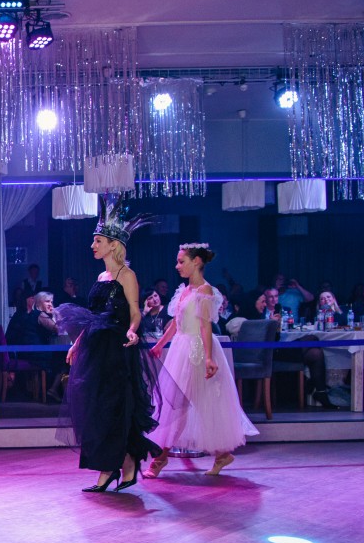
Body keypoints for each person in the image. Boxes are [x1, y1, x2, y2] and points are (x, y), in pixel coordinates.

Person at [56, 204, 162, 492]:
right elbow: (92, 316)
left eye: (98, 241)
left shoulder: (127, 275)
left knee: (115, 407)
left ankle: (119, 466)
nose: (93, 245)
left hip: (117, 349)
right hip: (95, 349)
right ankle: (114, 466)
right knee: (96, 408)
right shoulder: (100, 278)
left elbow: (135, 312)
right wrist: (76, 344)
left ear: (113, 245)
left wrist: (132, 330)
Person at [144, 244, 258, 477]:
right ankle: (218, 455)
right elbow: (176, 323)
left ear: (196, 262)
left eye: (181, 261)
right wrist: (160, 344)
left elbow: (205, 325)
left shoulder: (205, 290)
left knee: (194, 404)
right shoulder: (184, 290)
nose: (177, 266)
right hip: (181, 348)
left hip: (197, 349)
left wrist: (208, 357)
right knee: (177, 404)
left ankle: (161, 458)